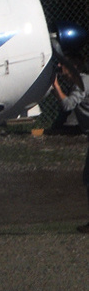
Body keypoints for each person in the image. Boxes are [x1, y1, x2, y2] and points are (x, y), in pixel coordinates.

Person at [53, 57, 89, 233]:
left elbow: (67, 105)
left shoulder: (82, 82)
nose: (60, 66)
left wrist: (55, 85)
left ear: (74, 66)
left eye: (64, 64)